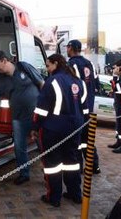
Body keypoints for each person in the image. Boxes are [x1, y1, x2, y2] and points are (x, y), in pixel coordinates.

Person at [32, 54, 88, 207]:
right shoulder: (78, 81)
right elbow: (83, 106)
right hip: (74, 127)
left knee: (52, 164)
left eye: (48, 65)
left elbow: (41, 109)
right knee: (71, 161)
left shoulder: (52, 81)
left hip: (53, 129)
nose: (47, 69)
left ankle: (54, 197)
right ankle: (74, 193)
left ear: (55, 64)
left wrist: (35, 127)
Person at [0, 51, 44, 185]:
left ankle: (50, 175)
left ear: (5, 60)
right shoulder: (0, 80)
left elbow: (41, 84)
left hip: (36, 116)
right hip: (18, 117)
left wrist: (46, 106)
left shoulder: (23, 67)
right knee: (19, 147)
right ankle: (24, 173)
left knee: (43, 144)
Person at [66, 39, 101, 174]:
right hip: (89, 108)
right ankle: (94, 166)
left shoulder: (71, 65)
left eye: (67, 47)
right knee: (88, 139)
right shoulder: (90, 64)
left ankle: (78, 168)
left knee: (77, 141)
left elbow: (72, 87)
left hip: (77, 109)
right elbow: (96, 85)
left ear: (72, 48)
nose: (66, 50)